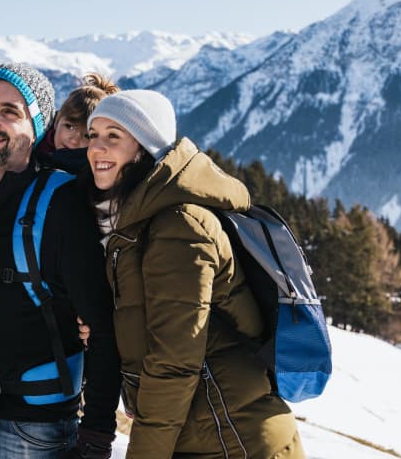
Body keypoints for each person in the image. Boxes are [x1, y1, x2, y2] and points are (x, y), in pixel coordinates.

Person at [85, 89, 305, 459]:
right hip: (207, 433)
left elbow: (175, 362)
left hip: (233, 439)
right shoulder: (141, 222)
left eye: (113, 136)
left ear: (144, 147)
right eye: (93, 135)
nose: (96, 148)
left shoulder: (179, 227)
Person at [0, 63, 120, 458]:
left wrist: (97, 436)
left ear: (38, 125)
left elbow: (101, 328)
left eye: (10, 111)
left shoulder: (62, 203)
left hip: (40, 426)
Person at [36, 73, 119, 174]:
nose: (74, 140)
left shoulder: (93, 171)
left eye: (87, 136)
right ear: (57, 121)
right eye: (69, 127)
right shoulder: (33, 147)